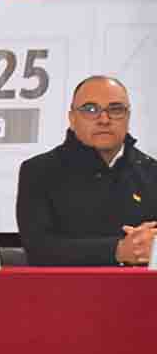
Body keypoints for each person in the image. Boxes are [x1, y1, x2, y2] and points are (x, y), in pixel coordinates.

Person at [16, 75, 157, 266]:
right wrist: (118, 250)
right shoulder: (38, 172)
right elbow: (39, 249)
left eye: (115, 109)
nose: (104, 119)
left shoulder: (152, 172)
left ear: (128, 117)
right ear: (72, 119)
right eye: (90, 109)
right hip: (66, 285)